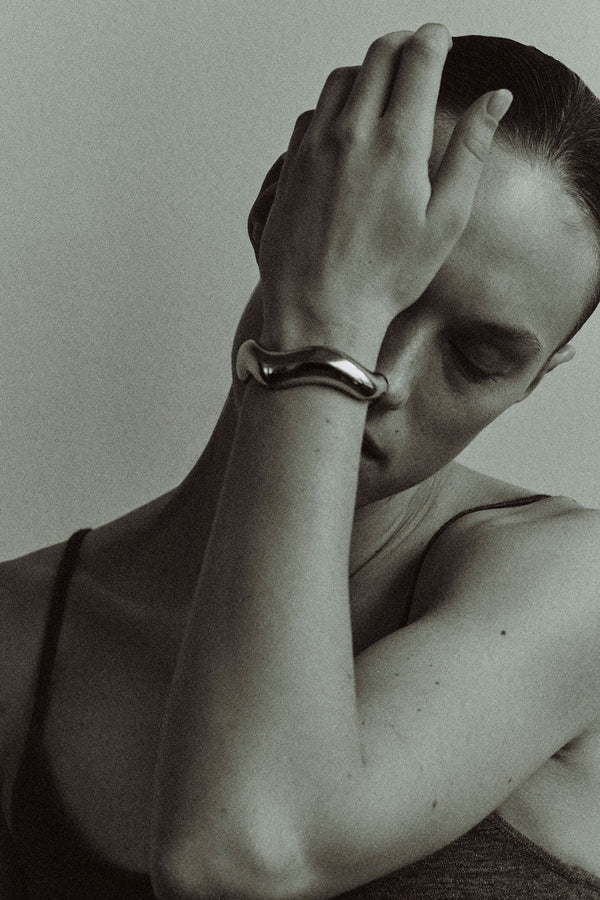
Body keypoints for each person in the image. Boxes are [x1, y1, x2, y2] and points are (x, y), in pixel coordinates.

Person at [2, 21, 600, 900]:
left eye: (478, 359)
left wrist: (324, 332)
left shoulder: (565, 578)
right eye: (378, 283)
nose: (389, 378)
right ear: (276, 214)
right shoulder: (21, 633)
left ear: (536, 379)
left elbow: (242, 852)